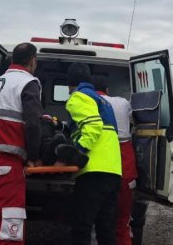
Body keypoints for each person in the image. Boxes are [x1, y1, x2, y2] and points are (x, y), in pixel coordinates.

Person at [0, 42, 43, 245]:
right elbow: (33, 124)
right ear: (32, 61)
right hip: (5, 165)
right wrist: (33, 156)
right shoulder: (28, 82)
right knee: (9, 226)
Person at [65, 63, 122, 245]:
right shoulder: (102, 100)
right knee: (106, 229)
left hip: (93, 171)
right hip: (112, 171)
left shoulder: (77, 97)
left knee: (81, 226)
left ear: (69, 84)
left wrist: (78, 152)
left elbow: (93, 126)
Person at [93, 75, 138, 245]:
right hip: (123, 163)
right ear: (108, 89)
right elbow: (135, 122)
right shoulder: (122, 102)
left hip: (97, 163)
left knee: (94, 218)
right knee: (122, 221)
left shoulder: (88, 102)